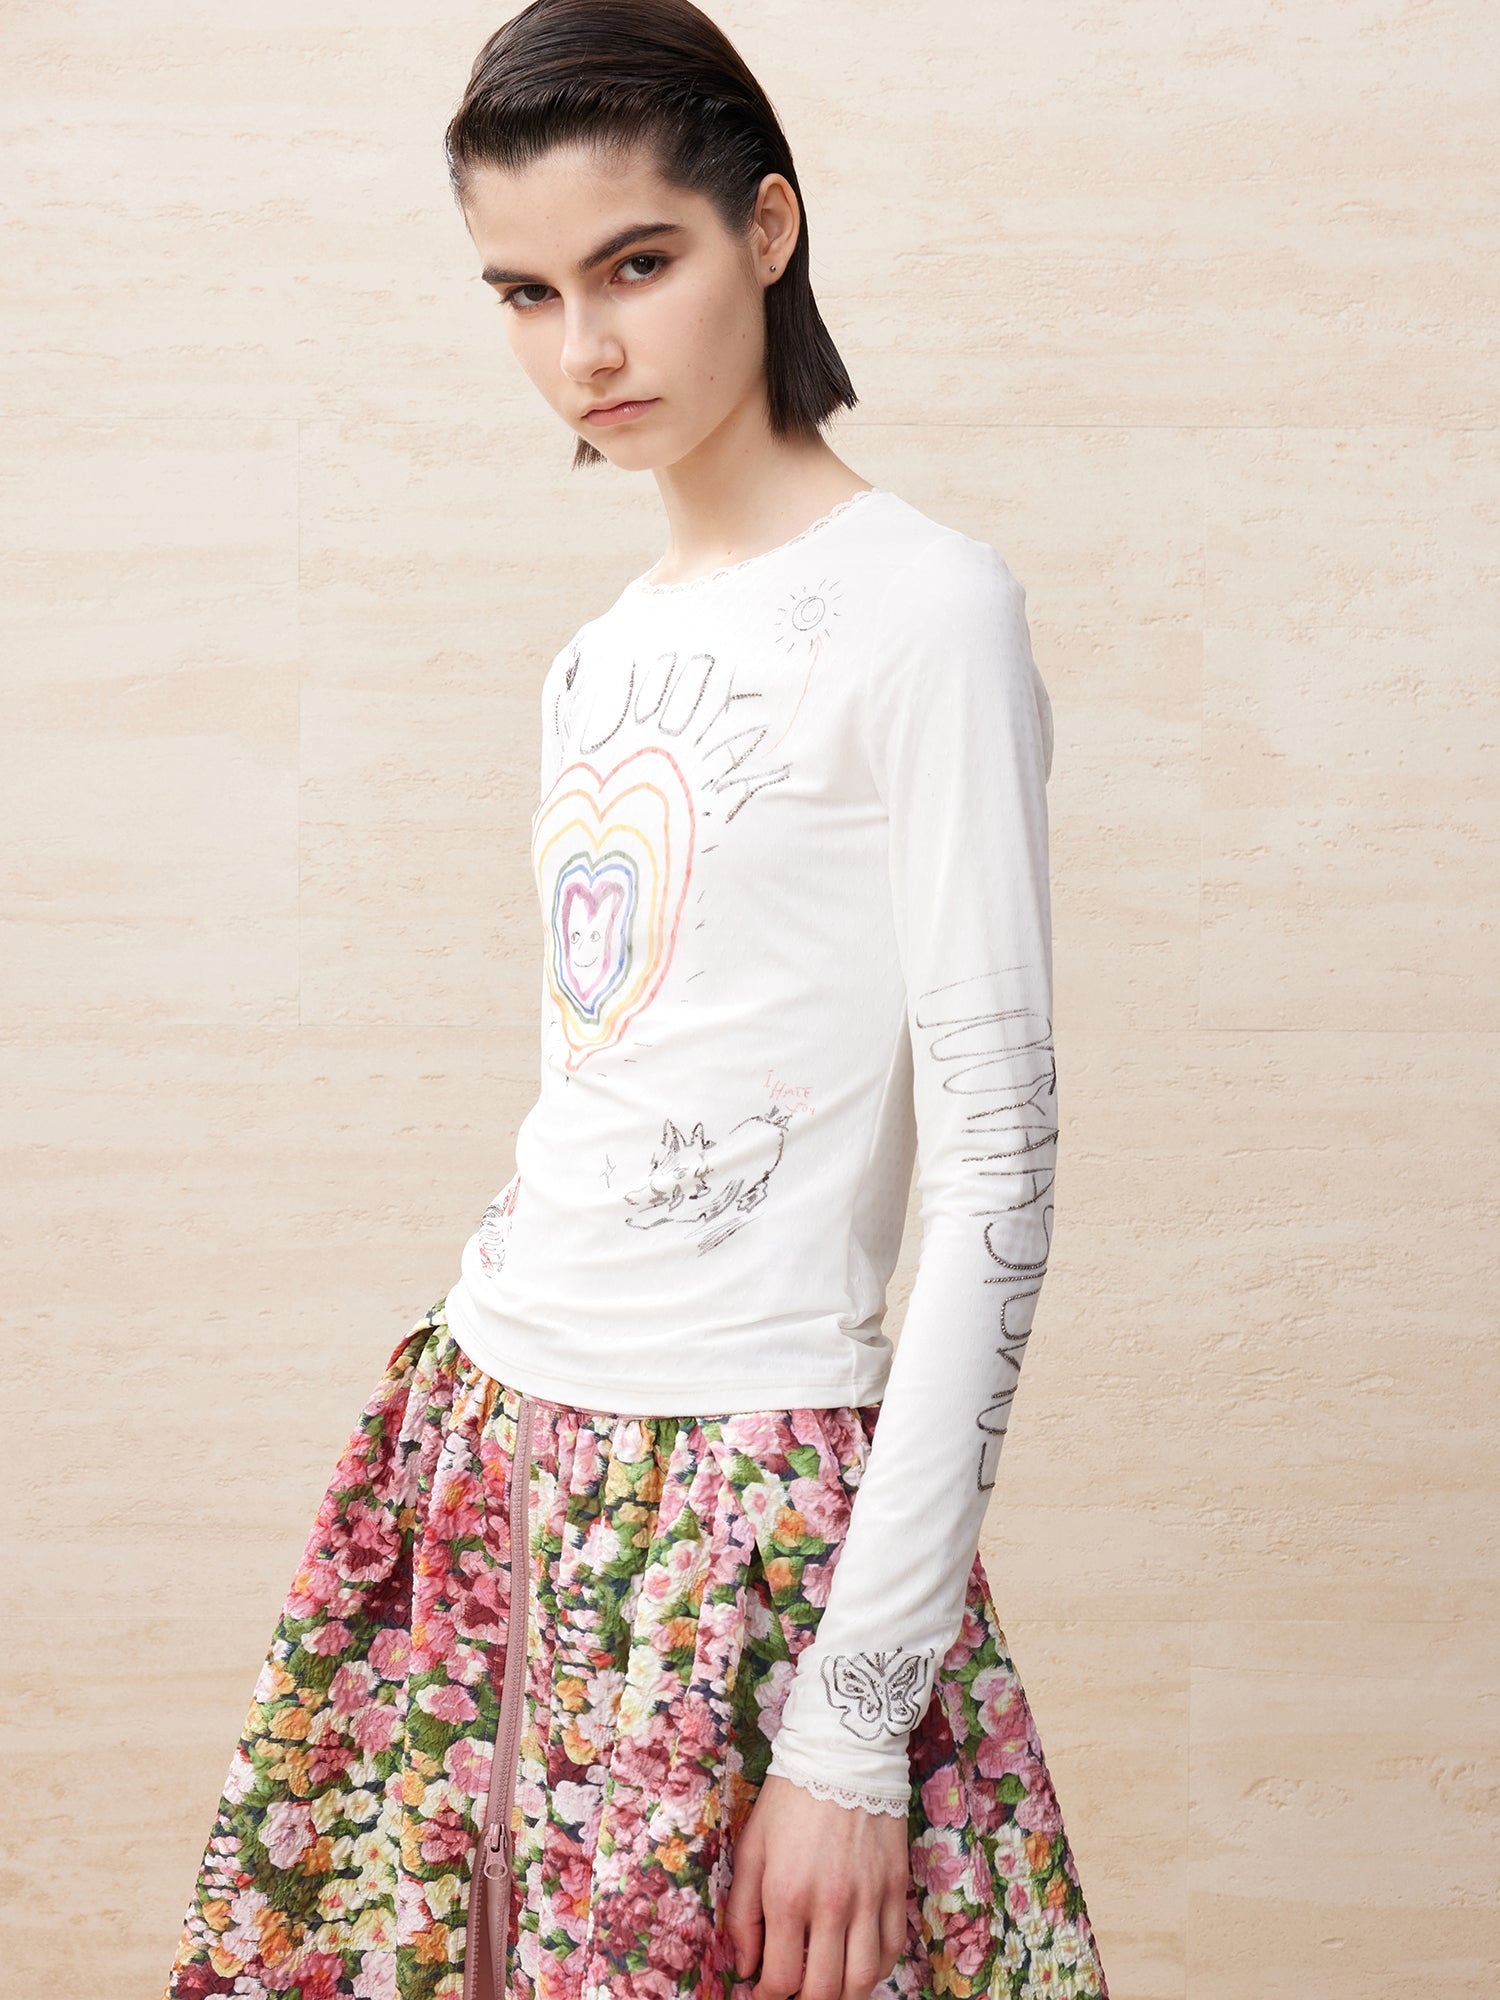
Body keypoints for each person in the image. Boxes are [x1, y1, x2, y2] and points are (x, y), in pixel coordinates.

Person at [161, 3, 1111, 1998]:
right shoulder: (597, 657)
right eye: (525, 292)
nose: (583, 349)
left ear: (767, 227)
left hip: (743, 1488)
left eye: (636, 263)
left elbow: (1001, 1171)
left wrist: (855, 1721)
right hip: (486, 1438)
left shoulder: (924, 608)